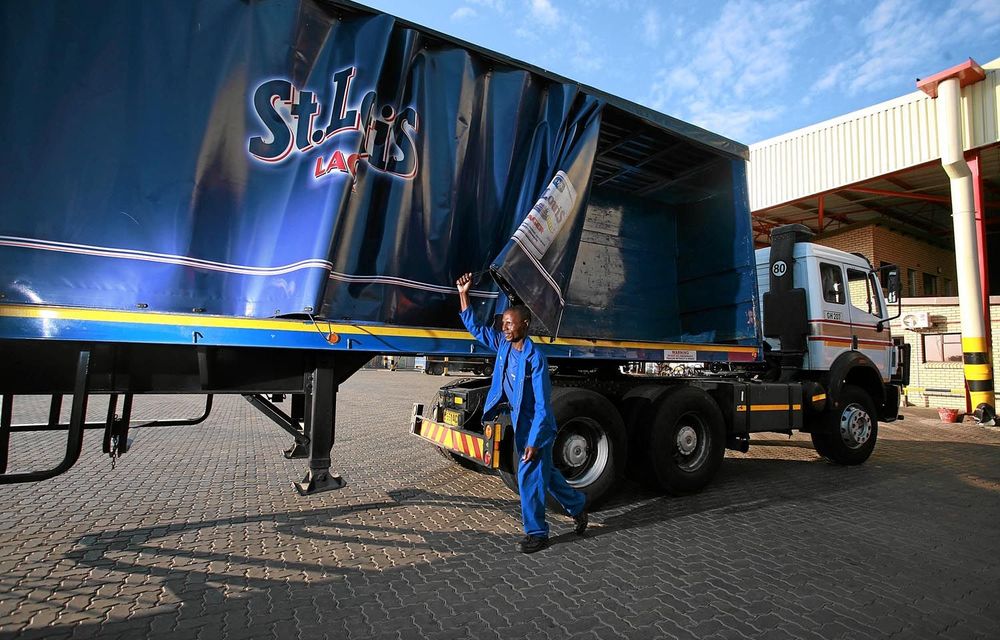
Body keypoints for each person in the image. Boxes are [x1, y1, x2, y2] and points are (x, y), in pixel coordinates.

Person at [456, 272, 587, 553]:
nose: (504, 327)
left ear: (524, 325)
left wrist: (532, 441)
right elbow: (477, 329)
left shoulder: (534, 357)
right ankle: (577, 506)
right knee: (547, 475)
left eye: (509, 323)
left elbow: (542, 405)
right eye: (503, 323)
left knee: (528, 476)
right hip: (520, 420)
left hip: (537, 427)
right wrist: (464, 294)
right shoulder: (503, 344)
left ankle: (537, 533)